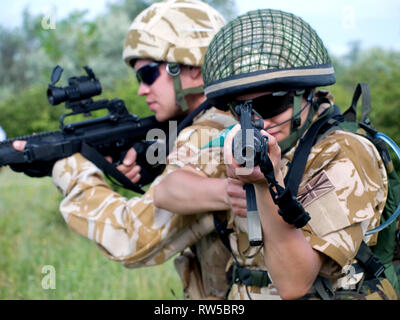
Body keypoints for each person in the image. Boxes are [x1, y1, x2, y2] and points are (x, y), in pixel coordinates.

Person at [154, 9, 399, 300]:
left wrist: (262, 186)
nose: (258, 122)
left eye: (271, 105)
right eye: (242, 110)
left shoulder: (345, 153)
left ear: (307, 94)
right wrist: (224, 191)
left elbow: (295, 283)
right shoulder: (241, 143)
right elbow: (166, 192)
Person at [13, 0, 238, 300]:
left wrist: (70, 168)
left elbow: (130, 239)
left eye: (147, 75)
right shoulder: (232, 118)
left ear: (195, 69)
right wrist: (151, 162)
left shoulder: (208, 138)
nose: (141, 90)